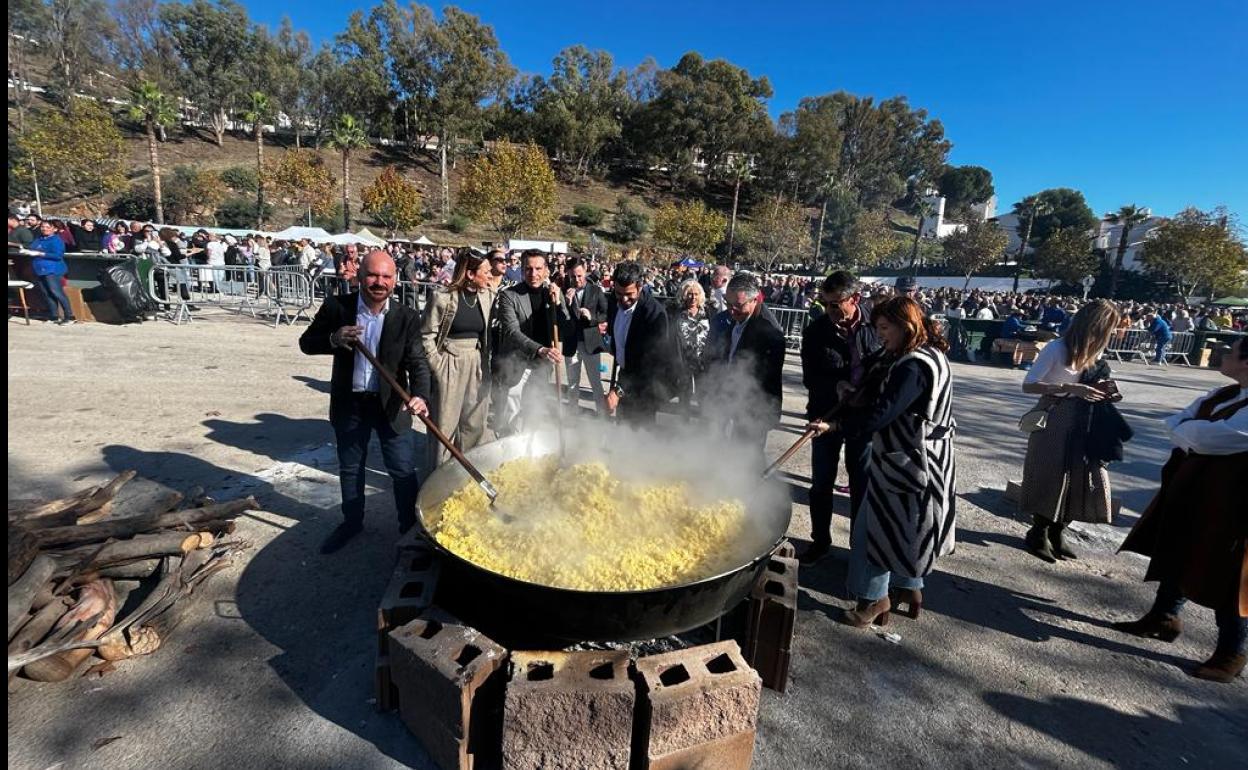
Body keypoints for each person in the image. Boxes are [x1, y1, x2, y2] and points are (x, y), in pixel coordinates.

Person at [809, 297, 956, 626]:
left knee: (873, 530)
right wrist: (852, 392)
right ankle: (908, 588)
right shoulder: (929, 354)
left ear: (907, 326)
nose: (880, 335)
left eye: (885, 328)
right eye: (877, 328)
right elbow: (883, 393)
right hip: (926, 459)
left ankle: (873, 599)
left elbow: (881, 415)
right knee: (910, 529)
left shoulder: (913, 366)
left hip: (905, 461)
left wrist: (835, 426)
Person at [1113, 338, 1247, 682]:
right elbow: (1177, 422)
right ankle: (1163, 617)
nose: (1222, 355)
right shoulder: (1224, 395)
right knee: (1179, 548)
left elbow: (1207, 438)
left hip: (1237, 507)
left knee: (1233, 575)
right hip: (1200, 493)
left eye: (1230, 352)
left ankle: (1231, 652)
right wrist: (1190, 432)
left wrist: (1189, 433)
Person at [299, 250, 431, 554]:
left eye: (386, 276)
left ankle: (409, 530)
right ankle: (352, 523)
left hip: (392, 405)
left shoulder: (406, 316)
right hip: (351, 404)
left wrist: (420, 395)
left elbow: (418, 361)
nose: (379, 282)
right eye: (372, 275)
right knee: (350, 468)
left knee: (402, 470)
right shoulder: (337, 307)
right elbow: (306, 343)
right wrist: (333, 339)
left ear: (395, 280)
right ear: (359, 276)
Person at [1019, 300, 1123, 561]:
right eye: (1109, 327)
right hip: (1055, 415)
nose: (1111, 333)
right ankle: (1038, 531)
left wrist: (1105, 390)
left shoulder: (1096, 351)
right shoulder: (1056, 348)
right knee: (1049, 473)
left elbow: (1093, 382)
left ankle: (1058, 530)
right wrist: (1070, 388)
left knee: (1080, 476)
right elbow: (1029, 385)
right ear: (1095, 325)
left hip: (1085, 419)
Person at [798, 271, 882, 564]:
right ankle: (820, 541)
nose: (830, 310)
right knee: (821, 483)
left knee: (861, 484)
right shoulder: (815, 331)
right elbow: (810, 378)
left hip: (863, 419)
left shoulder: (877, 324)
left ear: (854, 298)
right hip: (825, 415)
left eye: (835, 304)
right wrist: (837, 385)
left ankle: (859, 547)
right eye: (825, 303)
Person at [422, 252, 496, 466]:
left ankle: (466, 471)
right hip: (449, 362)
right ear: (470, 274)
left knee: (474, 423)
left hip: (476, 361)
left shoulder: (487, 296)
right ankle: (439, 474)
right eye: (486, 271)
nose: (490, 275)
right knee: (445, 424)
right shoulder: (442, 297)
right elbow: (426, 334)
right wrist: (437, 365)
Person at [704, 273, 786, 466]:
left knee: (747, 458)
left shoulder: (768, 332)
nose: (731, 310)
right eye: (728, 303)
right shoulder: (737, 318)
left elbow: (763, 378)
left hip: (753, 409)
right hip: (729, 401)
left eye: (738, 305)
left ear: (755, 299)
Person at [493, 250, 564, 435]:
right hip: (516, 363)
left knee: (535, 411)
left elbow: (566, 329)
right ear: (522, 270)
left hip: (543, 365)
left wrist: (559, 303)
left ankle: (530, 447)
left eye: (538, 269)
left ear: (546, 270)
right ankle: (509, 446)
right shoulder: (509, 295)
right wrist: (539, 349)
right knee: (511, 414)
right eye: (528, 269)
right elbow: (512, 331)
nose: (533, 274)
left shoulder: (553, 293)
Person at [605, 261, 677, 426]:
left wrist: (619, 390)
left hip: (646, 386)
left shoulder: (653, 313)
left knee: (640, 430)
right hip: (625, 376)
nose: (623, 299)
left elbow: (651, 363)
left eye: (629, 294)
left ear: (640, 286)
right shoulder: (615, 303)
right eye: (619, 293)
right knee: (623, 426)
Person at [558, 257, 609, 414]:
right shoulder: (563, 291)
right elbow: (560, 319)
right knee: (572, 383)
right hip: (572, 342)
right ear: (568, 274)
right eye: (573, 276)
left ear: (585, 271)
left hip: (591, 342)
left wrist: (591, 317)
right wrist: (566, 304)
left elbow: (606, 314)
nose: (577, 279)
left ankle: (602, 414)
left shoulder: (596, 290)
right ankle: (572, 414)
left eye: (579, 275)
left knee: (595, 381)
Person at [670, 279, 710, 416]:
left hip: (702, 359)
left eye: (696, 294)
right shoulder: (677, 313)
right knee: (684, 393)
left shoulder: (708, 312)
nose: (693, 297)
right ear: (684, 295)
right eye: (690, 294)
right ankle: (683, 422)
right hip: (684, 358)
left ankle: (705, 422)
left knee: (704, 393)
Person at [29, 219, 75, 324]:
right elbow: (32, 247)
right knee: (47, 293)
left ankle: (70, 316)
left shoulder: (56, 240)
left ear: (54, 229)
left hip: (52, 270)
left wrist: (41, 254)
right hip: (39, 269)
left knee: (57, 292)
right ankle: (54, 316)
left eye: (47, 227)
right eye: (42, 227)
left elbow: (58, 255)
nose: (44, 229)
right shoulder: (39, 239)